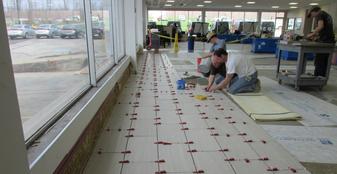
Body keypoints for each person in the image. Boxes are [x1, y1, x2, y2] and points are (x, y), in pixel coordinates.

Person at [307, 6, 335, 77]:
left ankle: (317, 77)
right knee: (325, 62)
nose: (313, 17)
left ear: (313, 11)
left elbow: (320, 26)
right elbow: (325, 29)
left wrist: (311, 35)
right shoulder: (327, 15)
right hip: (330, 41)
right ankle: (322, 78)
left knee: (319, 61)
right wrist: (316, 35)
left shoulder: (319, 15)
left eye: (312, 15)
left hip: (324, 42)